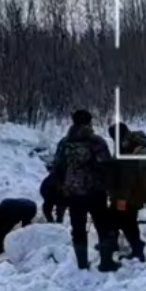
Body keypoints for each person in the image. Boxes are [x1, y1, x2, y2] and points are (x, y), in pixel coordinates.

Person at [50, 109, 117, 272]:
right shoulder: (97, 142)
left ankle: (82, 263)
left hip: (73, 195)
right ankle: (106, 262)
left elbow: (57, 168)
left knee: (78, 229)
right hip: (96, 193)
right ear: (89, 122)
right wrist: (110, 188)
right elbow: (107, 166)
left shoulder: (65, 143)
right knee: (103, 227)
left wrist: (62, 188)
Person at [106, 123, 146, 262]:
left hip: (129, 194)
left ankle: (137, 249)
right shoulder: (129, 145)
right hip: (129, 193)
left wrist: (121, 197)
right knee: (115, 216)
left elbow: (130, 176)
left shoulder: (131, 149)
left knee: (127, 221)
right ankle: (114, 244)